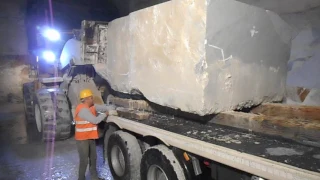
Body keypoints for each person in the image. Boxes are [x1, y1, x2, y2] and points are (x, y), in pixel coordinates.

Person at [75, 89, 111, 180]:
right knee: (84, 161)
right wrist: (106, 114)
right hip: (82, 140)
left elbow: (101, 107)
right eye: (91, 98)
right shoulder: (82, 110)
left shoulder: (91, 106)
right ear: (86, 99)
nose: (92, 99)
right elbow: (95, 120)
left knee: (93, 158)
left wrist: (111, 107)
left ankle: (94, 178)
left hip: (90, 137)